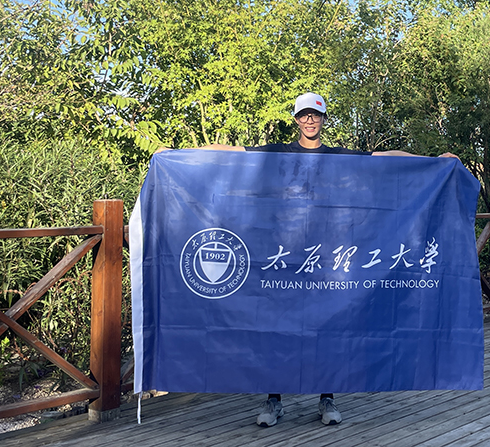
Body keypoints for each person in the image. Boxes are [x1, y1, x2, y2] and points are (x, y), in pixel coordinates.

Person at [156, 92, 458, 427]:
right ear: (296, 119)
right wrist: (176, 154)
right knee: (276, 328)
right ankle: (274, 400)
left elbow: (383, 158)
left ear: (323, 119)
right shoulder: (277, 154)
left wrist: (435, 160)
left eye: (315, 114)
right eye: (304, 115)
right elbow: (232, 153)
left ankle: (327, 398)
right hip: (282, 257)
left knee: (326, 328)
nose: (310, 120)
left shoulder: (339, 158)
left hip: (324, 261)